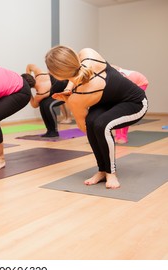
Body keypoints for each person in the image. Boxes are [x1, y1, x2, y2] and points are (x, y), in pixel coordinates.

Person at [45, 46, 148, 189]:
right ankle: (102, 170)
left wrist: (69, 99)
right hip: (108, 102)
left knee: (101, 125)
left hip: (135, 103)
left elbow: (83, 128)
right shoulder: (88, 54)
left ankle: (110, 172)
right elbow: (88, 125)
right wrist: (69, 90)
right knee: (92, 122)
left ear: (57, 75)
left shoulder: (79, 96)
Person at [25, 64, 71, 137]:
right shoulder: (38, 73)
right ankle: (49, 131)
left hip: (68, 91)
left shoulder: (41, 92)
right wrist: (27, 75)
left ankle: (54, 131)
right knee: (43, 104)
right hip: (57, 91)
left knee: (48, 105)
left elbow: (34, 105)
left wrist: (28, 92)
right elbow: (30, 66)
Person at [112, 66, 149, 144]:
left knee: (125, 111)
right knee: (117, 112)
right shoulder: (112, 75)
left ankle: (123, 136)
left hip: (141, 83)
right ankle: (118, 136)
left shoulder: (120, 77)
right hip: (131, 82)